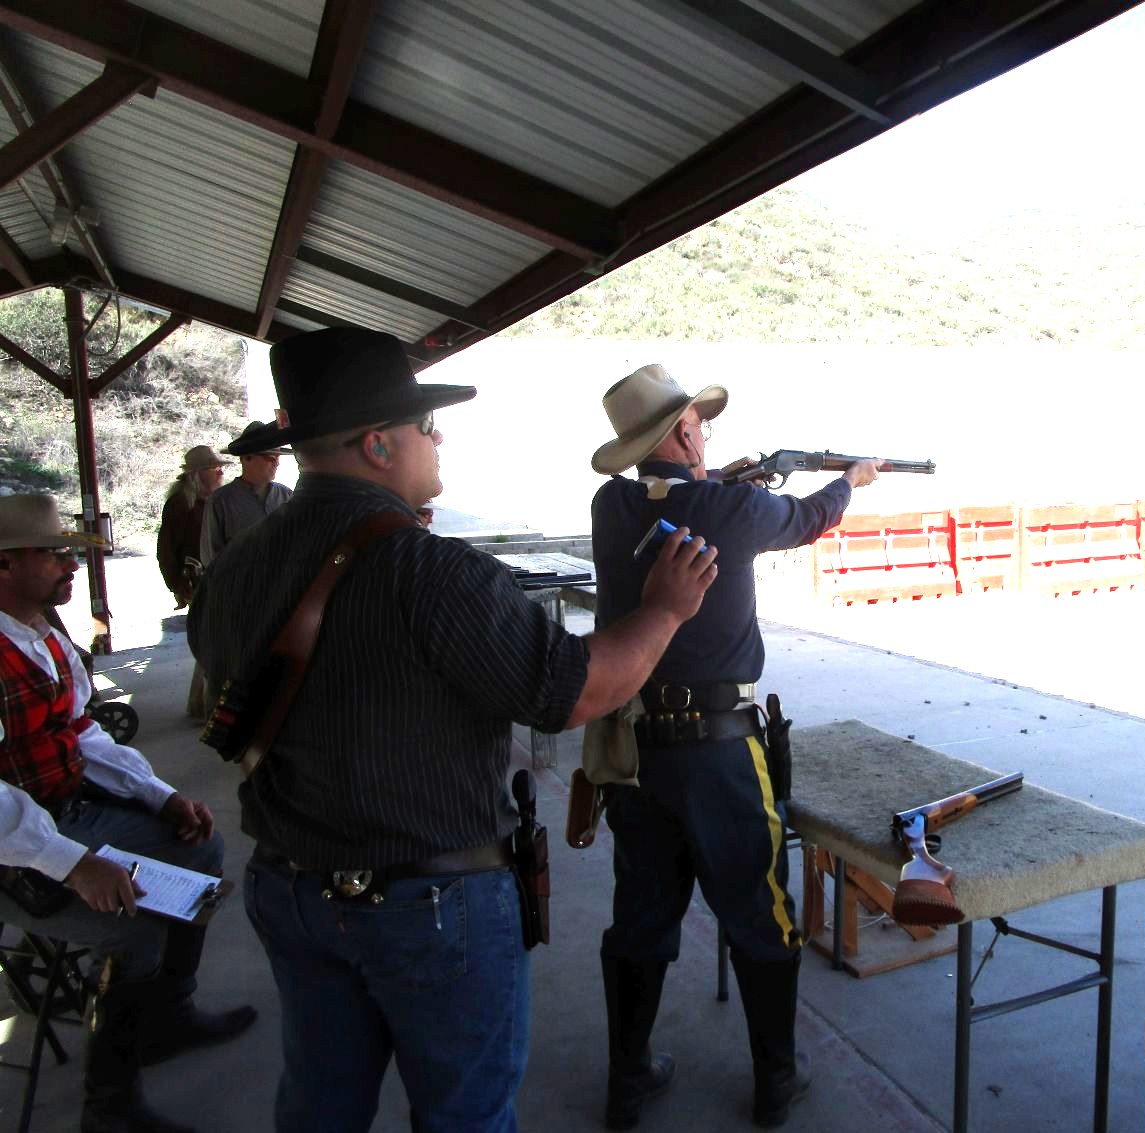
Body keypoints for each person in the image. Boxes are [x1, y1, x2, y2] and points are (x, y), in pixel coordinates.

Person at [188, 327, 718, 1133]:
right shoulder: (428, 568)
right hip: (427, 901)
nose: (438, 440)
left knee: (319, 1106)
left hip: (290, 886)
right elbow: (577, 692)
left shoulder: (234, 567)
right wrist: (664, 610)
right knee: (465, 1114)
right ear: (378, 444)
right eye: (425, 426)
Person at [587, 364, 877, 1129]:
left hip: (636, 748)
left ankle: (627, 1078)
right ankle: (776, 1079)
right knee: (760, 908)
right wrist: (850, 480)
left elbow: (675, 499)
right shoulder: (732, 507)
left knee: (641, 911)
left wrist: (725, 481)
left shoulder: (611, 505)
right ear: (685, 432)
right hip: (720, 750)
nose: (704, 434)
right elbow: (810, 517)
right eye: (698, 426)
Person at [0, 494, 257, 1133]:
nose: (71, 565)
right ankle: (108, 1109)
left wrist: (158, 795)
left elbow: (81, 731)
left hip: (61, 812)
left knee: (200, 849)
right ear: (4, 564)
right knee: (132, 929)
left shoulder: (42, 635)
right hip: (11, 850)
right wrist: (72, 863)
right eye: (54, 553)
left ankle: (167, 1017)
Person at [198, 423, 293, 565]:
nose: (277, 463)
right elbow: (211, 559)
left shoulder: (287, 496)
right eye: (271, 457)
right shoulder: (220, 501)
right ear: (247, 457)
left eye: (278, 457)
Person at [156, 445, 228, 610]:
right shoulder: (180, 503)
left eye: (221, 467)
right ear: (197, 473)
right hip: (198, 584)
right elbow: (166, 550)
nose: (221, 473)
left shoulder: (218, 500)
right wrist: (178, 586)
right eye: (215, 468)